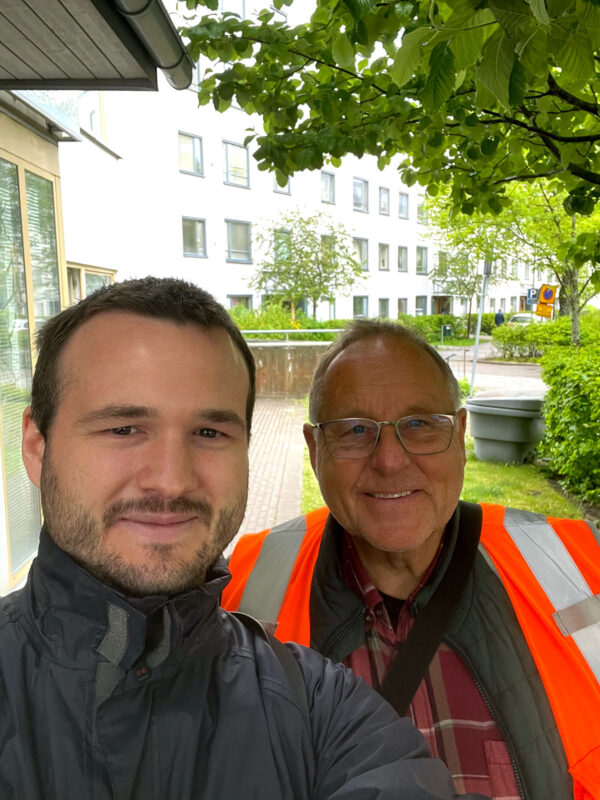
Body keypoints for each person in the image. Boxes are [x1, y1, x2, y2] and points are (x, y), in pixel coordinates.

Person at [0, 280, 485, 800]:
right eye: (123, 428)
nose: (171, 479)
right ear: (36, 446)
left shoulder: (318, 706)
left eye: (210, 433)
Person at [224, 319, 600, 800]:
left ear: (460, 434)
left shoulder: (577, 563)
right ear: (315, 448)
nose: (390, 460)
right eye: (355, 429)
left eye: (420, 424)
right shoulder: (241, 587)